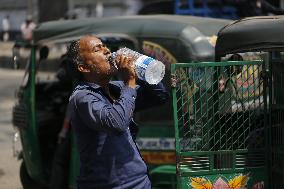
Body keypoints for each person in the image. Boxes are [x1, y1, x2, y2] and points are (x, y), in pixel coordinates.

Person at [67, 35, 169, 189]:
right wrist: (130, 83)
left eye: (104, 46)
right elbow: (116, 122)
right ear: (84, 67)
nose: (107, 51)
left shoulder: (117, 88)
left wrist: (140, 69)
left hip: (140, 183)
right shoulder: (82, 97)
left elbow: (160, 96)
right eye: (97, 49)